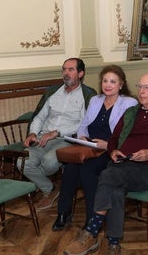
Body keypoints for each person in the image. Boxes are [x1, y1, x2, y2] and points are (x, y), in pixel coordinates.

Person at [63, 74, 148, 255]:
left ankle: (92, 230)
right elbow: (114, 139)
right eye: (140, 86)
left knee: (107, 176)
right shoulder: (131, 112)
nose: (142, 91)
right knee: (116, 191)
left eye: (147, 87)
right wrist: (113, 151)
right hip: (123, 164)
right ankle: (113, 245)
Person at [53, 65, 137, 231]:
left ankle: (93, 218)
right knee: (70, 168)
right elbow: (83, 125)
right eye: (105, 81)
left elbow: (128, 135)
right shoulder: (95, 100)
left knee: (87, 169)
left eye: (113, 81)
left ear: (121, 84)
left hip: (110, 151)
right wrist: (83, 137)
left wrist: (107, 145)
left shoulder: (129, 103)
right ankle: (63, 212)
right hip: (89, 147)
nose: (108, 85)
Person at [21, 58, 97, 210]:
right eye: (64, 70)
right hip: (42, 138)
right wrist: (33, 133)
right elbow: (39, 117)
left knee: (49, 162)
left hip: (66, 140)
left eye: (71, 70)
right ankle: (50, 189)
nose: (66, 73)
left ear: (81, 73)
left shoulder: (88, 95)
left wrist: (57, 132)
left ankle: (37, 184)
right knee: (21, 163)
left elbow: (84, 124)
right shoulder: (53, 92)